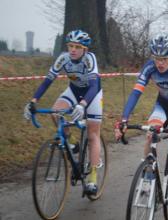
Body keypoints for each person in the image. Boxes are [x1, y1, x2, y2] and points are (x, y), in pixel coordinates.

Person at [114, 35, 168, 208]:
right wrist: (124, 119)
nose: (160, 63)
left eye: (164, 59)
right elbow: (136, 93)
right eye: (156, 58)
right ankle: (148, 177)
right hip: (163, 106)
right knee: (151, 134)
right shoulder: (150, 68)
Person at [24, 30, 103, 195]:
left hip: (92, 94)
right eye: (70, 46)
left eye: (77, 47)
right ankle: (71, 142)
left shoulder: (90, 59)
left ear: (85, 49)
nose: (73, 50)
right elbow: (47, 81)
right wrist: (33, 101)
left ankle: (93, 179)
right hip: (74, 91)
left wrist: (82, 105)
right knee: (55, 113)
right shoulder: (63, 58)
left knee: (92, 135)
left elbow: (94, 86)